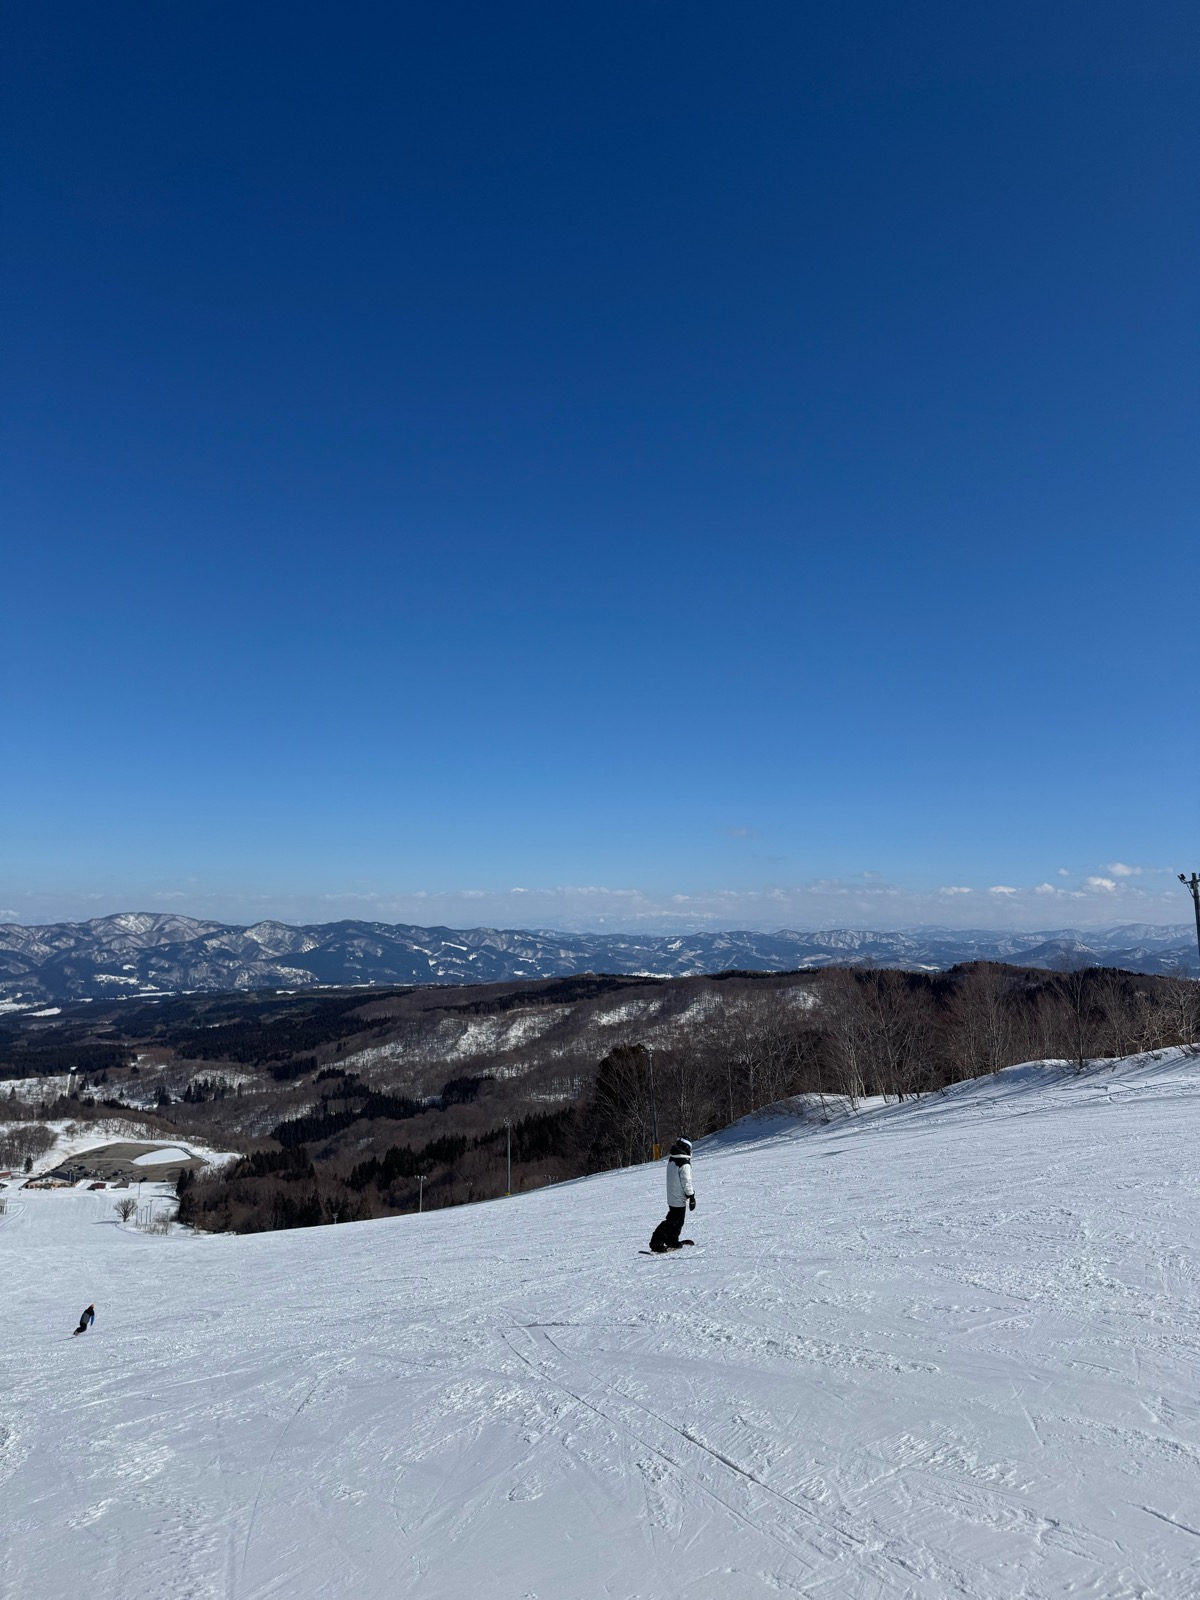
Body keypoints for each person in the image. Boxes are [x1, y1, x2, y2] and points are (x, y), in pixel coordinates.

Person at [648, 1138, 695, 1252]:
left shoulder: (673, 1158)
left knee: (677, 1221)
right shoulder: (684, 1163)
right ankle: (656, 1242)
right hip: (678, 1196)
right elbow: (686, 1182)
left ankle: (672, 1240)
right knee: (672, 1221)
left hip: (672, 1195)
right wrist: (691, 1196)